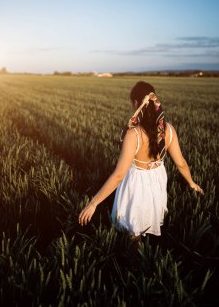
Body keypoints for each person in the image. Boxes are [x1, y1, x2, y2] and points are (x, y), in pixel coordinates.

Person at [78, 81, 204, 244]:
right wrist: (191, 182)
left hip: (136, 182)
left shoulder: (134, 134)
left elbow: (119, 175)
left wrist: (93, 203)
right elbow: (180, 163)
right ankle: (147, 258)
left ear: (137, 103)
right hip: (158, 178)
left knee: (134, 227)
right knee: (150, 213)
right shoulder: (169, 129)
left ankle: (135, 260)